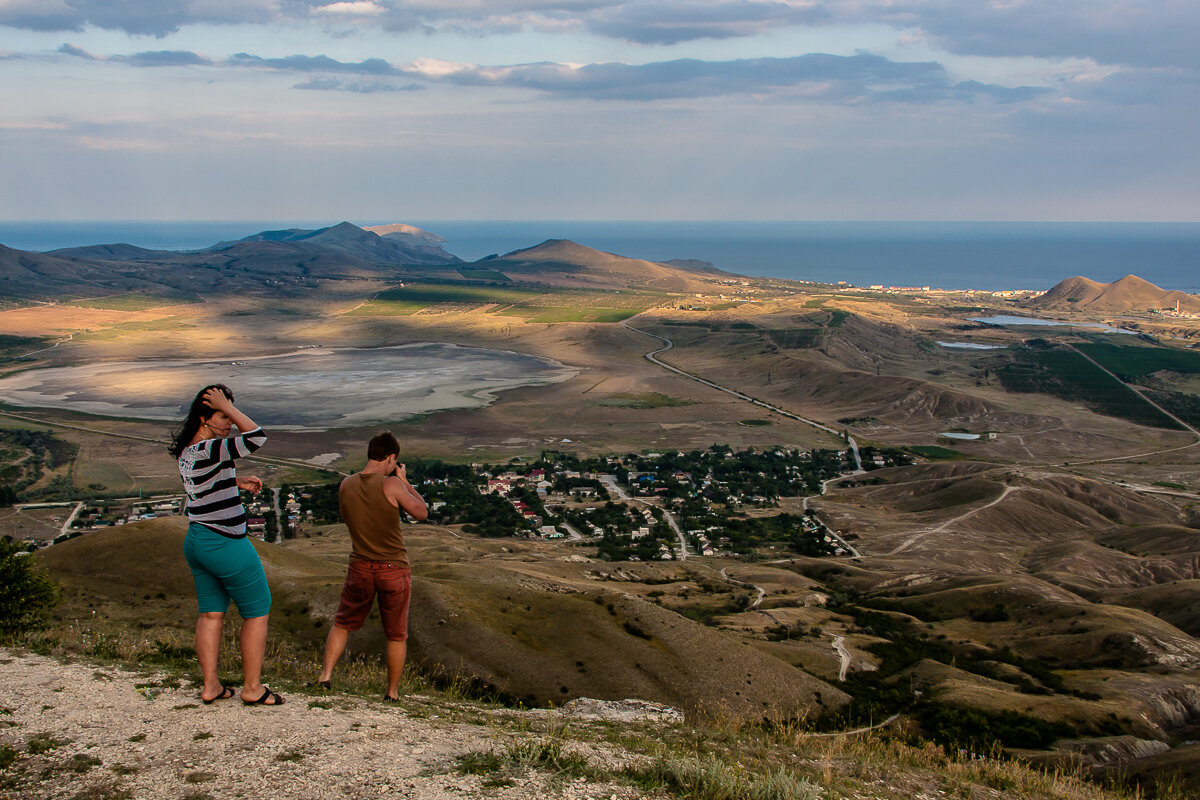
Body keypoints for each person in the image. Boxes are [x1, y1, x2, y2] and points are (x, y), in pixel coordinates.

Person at [168, 384, 284, 706]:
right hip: (226, 542)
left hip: (197, 541)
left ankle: (211, 686)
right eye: (223, 415)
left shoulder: (189, 451)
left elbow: (202, 483)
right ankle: (252, 688)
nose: (229, 422)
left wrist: (235, 481)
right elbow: (257, 437)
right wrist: (231, 407)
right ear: (204, 417)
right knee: (258, 612)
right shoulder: (210, 448)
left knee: (210, 616)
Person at [317, 431, 428, 701]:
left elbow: (347, 517)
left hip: (360, 566)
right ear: (391, 457)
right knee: (396, 634)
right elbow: (422, 512)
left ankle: (325, 677)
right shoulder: (391, 485)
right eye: (394, 461)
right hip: (393, 568)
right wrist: (405, 482)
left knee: (342, 622)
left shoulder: (346, 485)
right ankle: (391, 692)